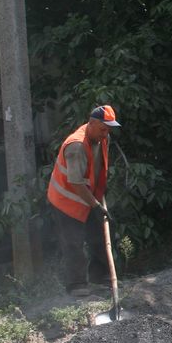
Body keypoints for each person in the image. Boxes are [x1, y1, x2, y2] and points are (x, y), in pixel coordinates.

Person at [47, 104, 119, 296]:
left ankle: (101, 278)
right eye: (104, 129)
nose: (106, 133)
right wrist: (95, 206)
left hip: (87, 197)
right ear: (92, 123)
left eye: (109, 130)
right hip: (65, 200)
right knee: (73, 242)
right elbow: (76, 183)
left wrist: (97, 199)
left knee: (99, 236)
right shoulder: (76, 146)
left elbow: (97, 168)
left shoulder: (103, 138)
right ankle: (77, 286)